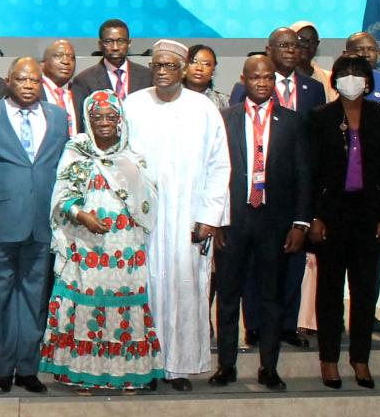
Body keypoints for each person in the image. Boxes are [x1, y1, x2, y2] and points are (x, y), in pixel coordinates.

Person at [39, 91, 165, 392]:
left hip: (125, 247)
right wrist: (83, 216)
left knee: (124, 305)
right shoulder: (76, 150)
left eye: (111, 117)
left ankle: (126, 373)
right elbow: (61, 198)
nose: (105, 123)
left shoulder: (133, 154)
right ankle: (82, 372)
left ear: (120, 119)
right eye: (97, 117)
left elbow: (149, 197)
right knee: (88, 306)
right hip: (86, 246)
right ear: (88, 119)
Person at [122, 40, 230, 390]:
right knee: (145, 290)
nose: (163, 71)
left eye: (170, 65)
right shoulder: (133, 105)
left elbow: (218, 164)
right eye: (157, 65)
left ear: (183, 69)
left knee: (186, 291)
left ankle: (179, 367)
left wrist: (210, 216)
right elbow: (119, 160)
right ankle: (147, 366)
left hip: (189, 219)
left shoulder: (203, 108)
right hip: (144, 218)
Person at [210, 54, 312, 392]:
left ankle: (269, 367)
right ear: (243, 79)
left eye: (268, 77)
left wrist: (299, 223)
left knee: (271, 298)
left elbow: (302, 175)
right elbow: (213, 174)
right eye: (256, 77)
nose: (263, 83)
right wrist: (217, 220)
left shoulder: (293, 121)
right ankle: (226, 365)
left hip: (275, 223)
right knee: (228, 296)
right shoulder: (225, 119)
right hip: (233, 222)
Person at [0, 58, 69, 394]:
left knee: (34, 298)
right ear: (8, 80)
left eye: (34, 80)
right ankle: (3, 369)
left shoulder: (58, 117)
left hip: (43, 223)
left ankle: (28, 369)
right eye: (22, 79)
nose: (29, 85)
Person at [308, 54, 380, 388]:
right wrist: (314, 216)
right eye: (344, 73)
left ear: (368, 80)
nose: (350, 78)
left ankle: (360, 360)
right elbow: (312, 173)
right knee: (330, 292)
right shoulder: (320, 118)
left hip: (370, 216)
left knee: (365, 292)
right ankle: (329, 360)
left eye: (357, 73)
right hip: (331, 217)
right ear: (334, 80)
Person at [231, 27, 324, 349]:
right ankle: (255, 325)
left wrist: (304, 213)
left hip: (288, 196)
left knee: (292, 264)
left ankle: (287, 325)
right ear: (269, 49)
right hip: (250, 200)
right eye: (282, 45)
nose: (290, 50)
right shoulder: (240, 92)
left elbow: (311, 153)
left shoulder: (313, 89)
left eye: (295, 45)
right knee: (253, 269)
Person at [70, 19, 152, 117]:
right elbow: (81, 120)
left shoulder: (147, 76)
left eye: (121, 41)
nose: (115, 47)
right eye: (108, 41)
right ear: (100, 44)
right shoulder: (84, 80)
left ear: (129, 43)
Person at [342, 30, 380, 108]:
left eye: (371, 49)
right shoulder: (336, 82)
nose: (366, 54)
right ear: (346, 54)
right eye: (359, 49)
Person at [40, 39, 79, 135]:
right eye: (58, 56)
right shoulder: (34, 93)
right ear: (42, 64)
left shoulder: (79, 93)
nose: (66, 61)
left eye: (72, 57)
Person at [292, 21, 334, 95]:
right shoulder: (277, 77)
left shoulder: (329, 78)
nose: (307, 45)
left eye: (312, 41)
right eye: (301, 40)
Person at [184, 44, 228, 110]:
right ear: (184, 67)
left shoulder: (224, 101)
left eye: (206, 64)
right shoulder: (170, 97)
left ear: (213, 71)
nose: (199, 68)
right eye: (193, 62)